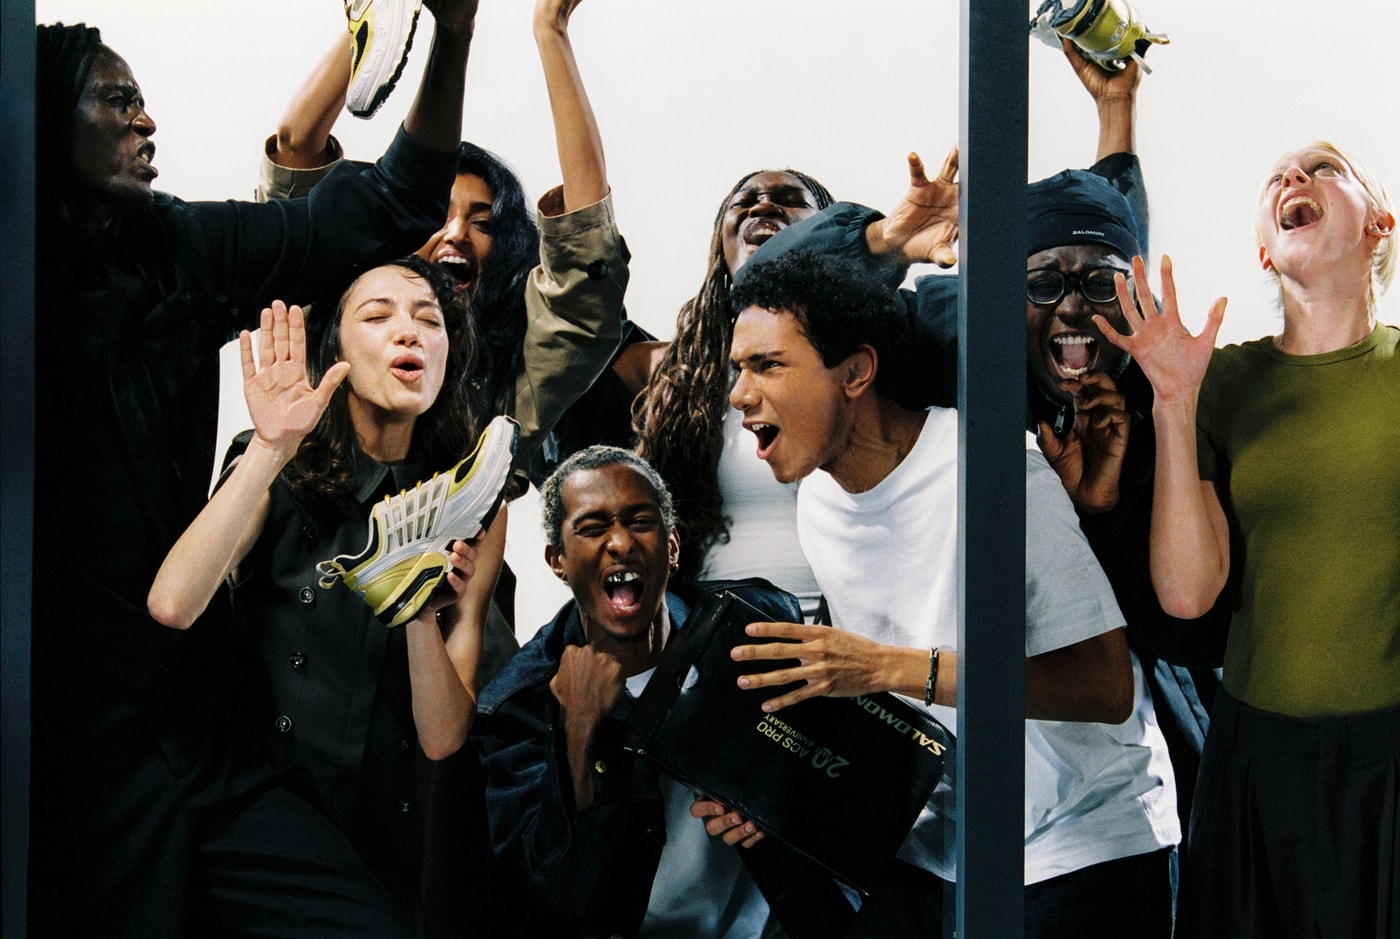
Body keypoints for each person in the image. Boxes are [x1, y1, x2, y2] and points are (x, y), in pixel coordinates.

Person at [32, 3, 475, 932]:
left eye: (143, 100)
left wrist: (456, 32)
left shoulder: (176, 249)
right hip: (75, 750)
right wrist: (270, 449)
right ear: (38, 115)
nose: (146, 120)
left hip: (203, 737)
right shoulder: (25, 276)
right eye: (116, 100)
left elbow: (389, 202)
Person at [744, 41, 1224, 845]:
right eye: (1042, 283)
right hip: (957, 791)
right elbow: (766, 295)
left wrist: (1100, 511)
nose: (1073, 307)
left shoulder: (1153, 386)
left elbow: (1177, 630)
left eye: (1101, 285)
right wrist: (885, 241)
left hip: (1103, 781)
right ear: (1000, 292)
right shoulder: (951, 334)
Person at [726, 251, 1179, 937]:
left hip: (1081, 852)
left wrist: (885, 666)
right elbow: (885, 705)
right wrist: (765, 783)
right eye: (738, 368)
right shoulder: (817, 501)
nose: (739, 393)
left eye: (767, 365)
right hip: (941, 856)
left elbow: (1104, 686)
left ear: (856, 372)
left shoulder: (994, 471)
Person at [147, 258, 509, 931]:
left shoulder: (473, 500)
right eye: (377, 315)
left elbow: (441, 737)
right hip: (252, 812)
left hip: (377, 834)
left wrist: (417, 611)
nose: (409, 332)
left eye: (429, 319)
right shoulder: (275, 462)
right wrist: (271, 447)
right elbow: (173, 603)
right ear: (335, 347)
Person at [1098, 142, 1400, 938]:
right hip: (1255, 763)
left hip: (1390, 768)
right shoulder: (1219, 380)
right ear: (1265, 252)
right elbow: (1187, 591)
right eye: (1278, 178)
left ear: (1380, 225)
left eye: (1325, 168)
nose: (1294, 178)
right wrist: (1172, 401)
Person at [473, 446, 853, 938]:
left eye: (640, 522)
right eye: (592, 528)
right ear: (557, 561)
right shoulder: (518, 706)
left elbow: (843, 793)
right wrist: (579, 730)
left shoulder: (755, 624)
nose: (620, 542)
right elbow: (560, 894)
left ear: (671, 547)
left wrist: (773, 801)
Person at [260, 0, 627, 499]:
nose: (455, 233)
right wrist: (375, 23)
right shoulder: (332, 314)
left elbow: (585, 255)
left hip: (448, 550)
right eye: (437, 216)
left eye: (483, 223)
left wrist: (551, 28)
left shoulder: (510, 392)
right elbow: (296, 148)